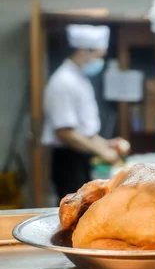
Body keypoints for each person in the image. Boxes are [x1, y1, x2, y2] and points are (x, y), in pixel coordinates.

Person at [42, 24, 123, 200]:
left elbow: (86, 131)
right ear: (83, 51)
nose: (99, 62)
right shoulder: (63, 81)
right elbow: (66, 132)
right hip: (68, 160)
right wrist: (104, 152)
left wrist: (105, 144)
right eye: (98, 56)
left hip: (80, 157)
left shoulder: (79, 79)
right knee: (72, 211)